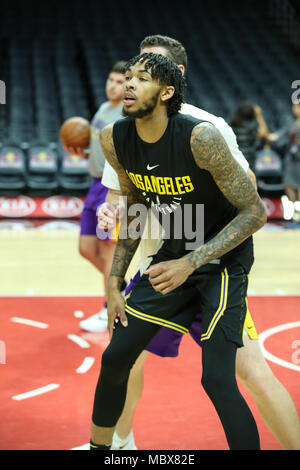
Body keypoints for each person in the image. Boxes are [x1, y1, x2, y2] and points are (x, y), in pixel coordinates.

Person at [96, 36, 300, 451]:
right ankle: (119, 443)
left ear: (174, 81)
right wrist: (111, 211)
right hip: (158, 259)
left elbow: (250, 200)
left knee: (245, 373)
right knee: (122, 356)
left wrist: (194, 254)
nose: (130, 81)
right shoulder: (120, 134)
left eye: (146, 71)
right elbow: (125, 194)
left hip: (211, 260)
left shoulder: (207, 129)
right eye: (131, 71)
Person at [64, 61, 127, 332]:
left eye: (118, 81)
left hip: (112, 188)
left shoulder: (127, 114)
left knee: (108, 250)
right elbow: (99, 148)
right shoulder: (103, 108)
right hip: (94, 185)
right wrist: (83, 153)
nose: (112, 85)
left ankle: (109, 309)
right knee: (86, 249)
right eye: (110, 80)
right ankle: (120, 288)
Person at [230, 101, 271, 171]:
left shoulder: (232, 125)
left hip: (235, 158)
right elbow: (265, 134)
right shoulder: (252, 126)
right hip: (249, 160)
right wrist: (259, 116)